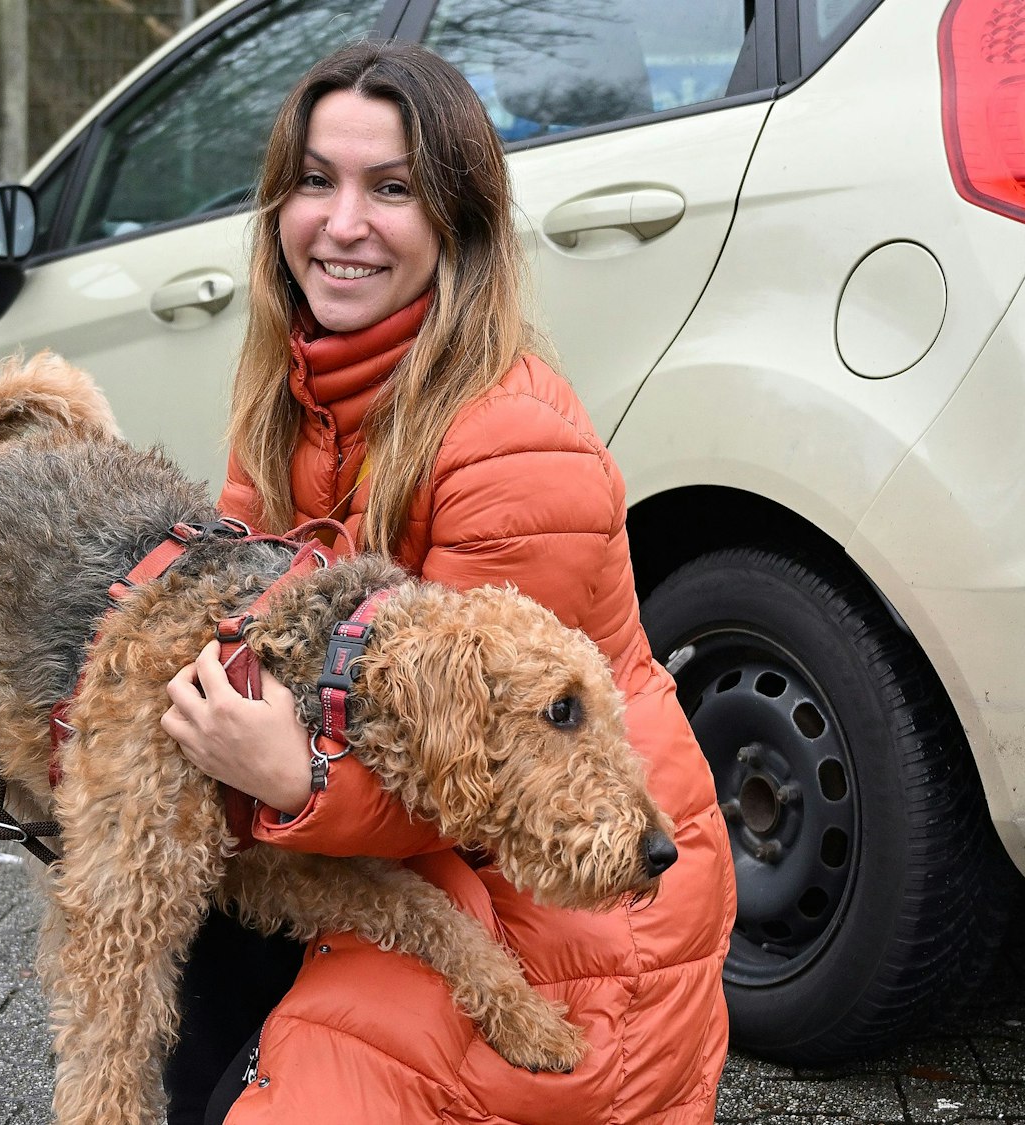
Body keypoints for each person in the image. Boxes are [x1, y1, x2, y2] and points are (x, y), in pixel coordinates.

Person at [152, 40, 736, 1125]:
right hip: (397, 843)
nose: (341, 222)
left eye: (390, 190)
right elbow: (219, 628)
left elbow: (489, 775)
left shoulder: (512, 445)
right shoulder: (288, 406)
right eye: (313, 181)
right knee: (172, 920)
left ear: (457, 225)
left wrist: (294, 780)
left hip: (563, 899)